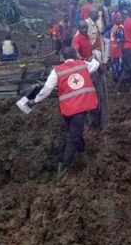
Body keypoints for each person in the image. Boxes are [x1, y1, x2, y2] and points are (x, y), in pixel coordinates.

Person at [27, 47, 100, 177]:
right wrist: (94, 57)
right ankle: (65, 167)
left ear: (62, 57)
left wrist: (35, 100)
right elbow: (95, 65)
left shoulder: (57, 71)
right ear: (76, 55)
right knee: (74, 136)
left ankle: (82, 158)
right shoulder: (83, 64)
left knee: (74, 134)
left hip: (68, 109)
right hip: (81, 107)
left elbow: (47, 89)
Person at [109, 13, 125, 82]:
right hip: (118, 49)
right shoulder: (119, 28)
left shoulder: (113, 27)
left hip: (113, 48)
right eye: (118, 18)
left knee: (114, 64)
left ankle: (114, 79)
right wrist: (123, 50)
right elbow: (120, 41)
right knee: (119, 65)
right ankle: (118, 81)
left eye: (121, 18)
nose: (120, 19)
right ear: (115, 20)